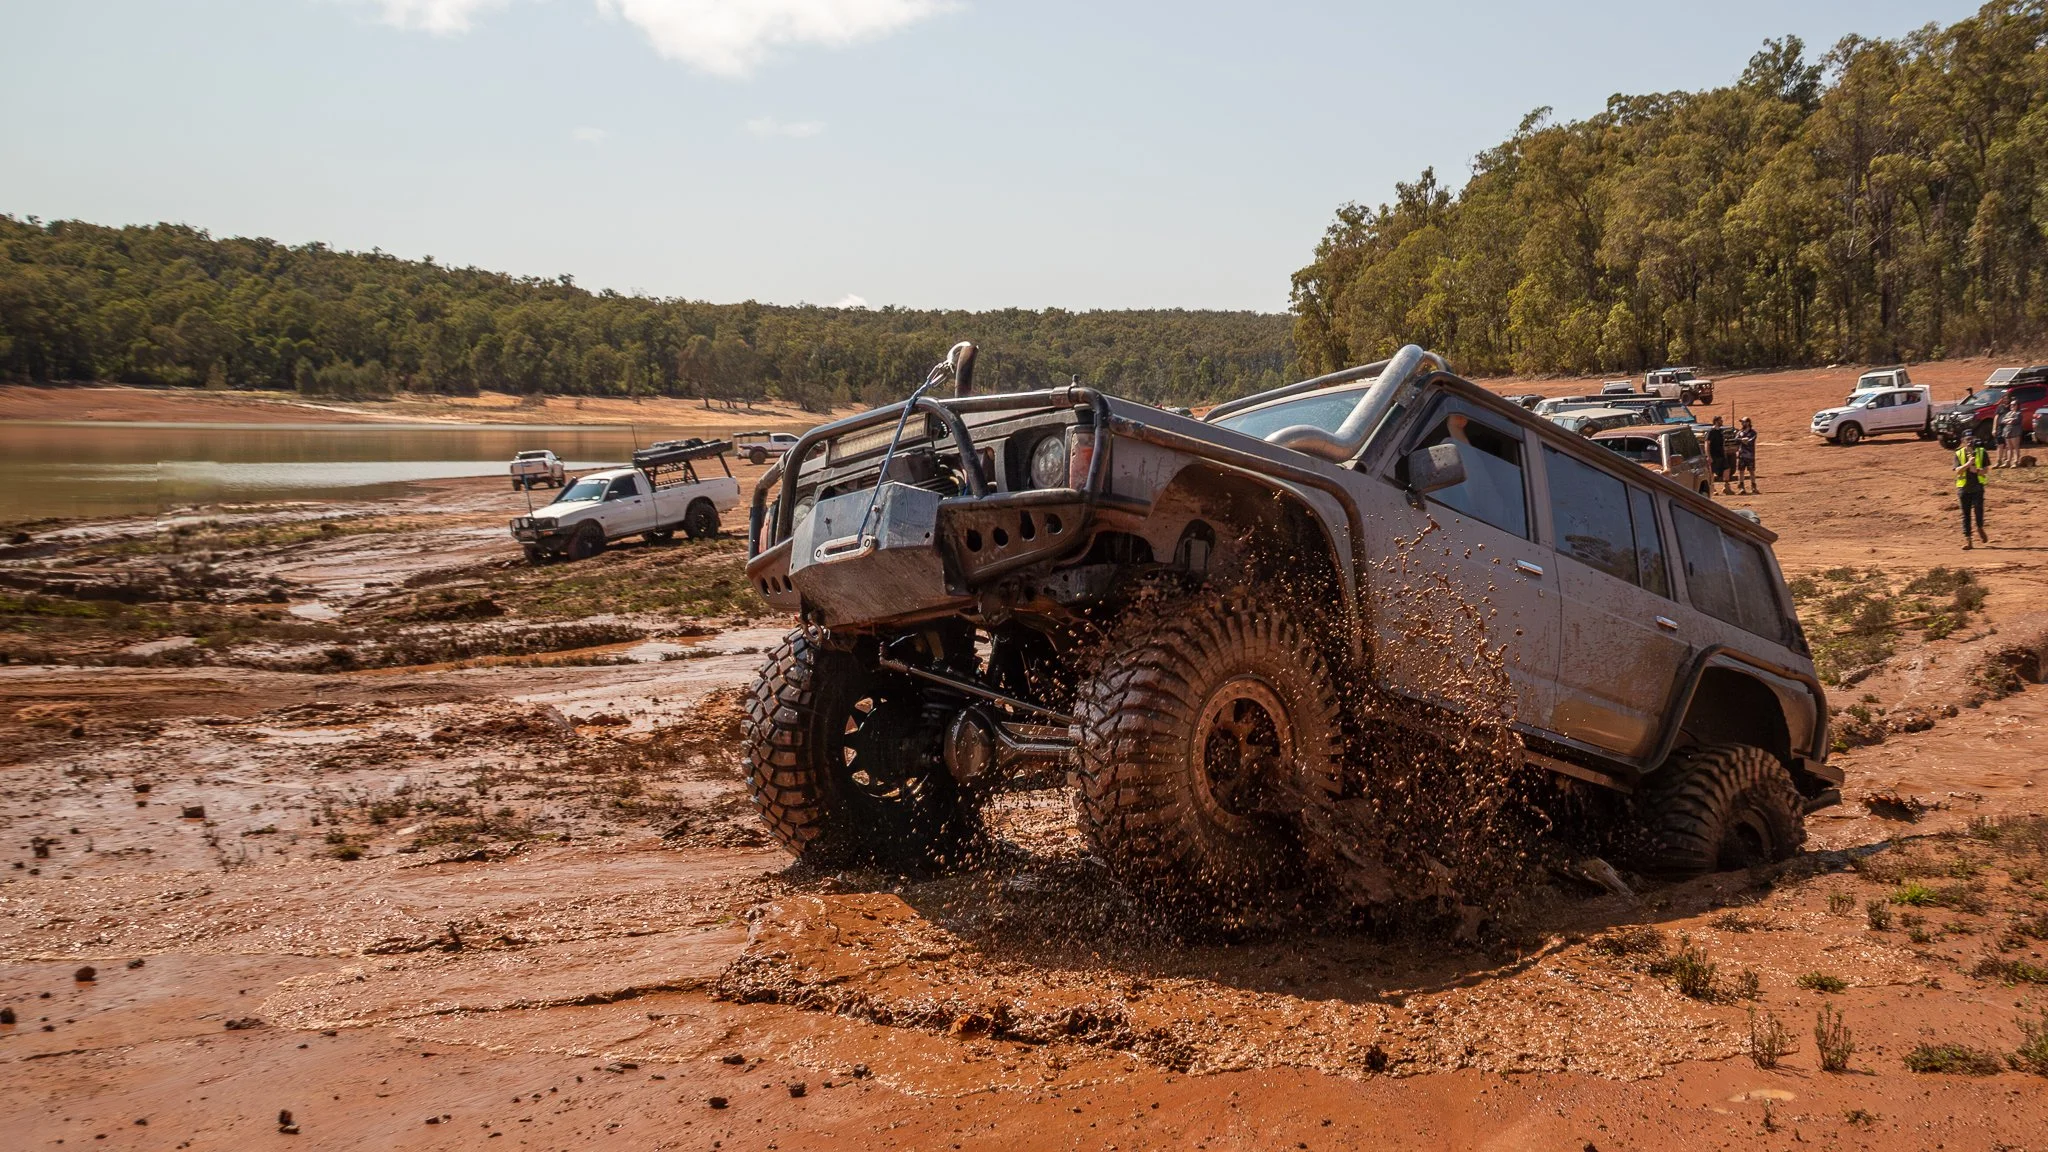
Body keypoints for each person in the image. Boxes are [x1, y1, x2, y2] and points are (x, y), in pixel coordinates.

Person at [1956, 432, 1991, 549]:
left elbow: (1986, 470)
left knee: (1978, 510)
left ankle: (1980, 527)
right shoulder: (1959, 453)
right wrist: (1968, 464)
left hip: (1977, 487)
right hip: (1963, 488)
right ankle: (1968, 540)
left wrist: (1977, 470)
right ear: (1963, 440)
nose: (1970, 441)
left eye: (1972, 439)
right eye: (1968, 439)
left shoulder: (1982, 452)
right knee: (1965, 515)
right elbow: (1957, 471)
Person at [1705, 415, 1730, 496]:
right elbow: (1707, 444)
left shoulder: (1720, 431)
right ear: (1716, 421)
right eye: (1720, 420)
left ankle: (1726, 487)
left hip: (1721, 454)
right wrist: (1708, 456)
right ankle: (1713, 489)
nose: (1722, 421)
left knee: (1727, 469)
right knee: (1712, 472)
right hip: (1713, 455)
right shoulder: (1711, 432)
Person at [1734, 416, 1758, 494]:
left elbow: (1749, 441)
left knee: (1751, 471)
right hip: (1741, 455)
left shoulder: (1753, 432)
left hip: (1750, 455)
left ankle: (1753, 487)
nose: (1742, 423)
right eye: (1742, 422)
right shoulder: (1740, 432)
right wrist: (1742, 440)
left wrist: (1742, 440)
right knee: (1741, 471)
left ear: (1748, 423)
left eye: (1743, 422)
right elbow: (1736, 440)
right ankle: (1742, 488)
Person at [1996, 398, 2023, 467]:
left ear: (2017, 405)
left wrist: (2009, 420)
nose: (2011, 406)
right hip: (2007, 432)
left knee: (2015, 447)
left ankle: (2016, 461)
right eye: (2011, 405)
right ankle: (2008, 461)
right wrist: (2009, 420)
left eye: (2013, 405)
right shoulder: (2009, 413)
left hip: (2015, 432)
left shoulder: (2019, 413)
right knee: (2009, 447)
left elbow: (2014, 420)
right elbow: (2002, 420)